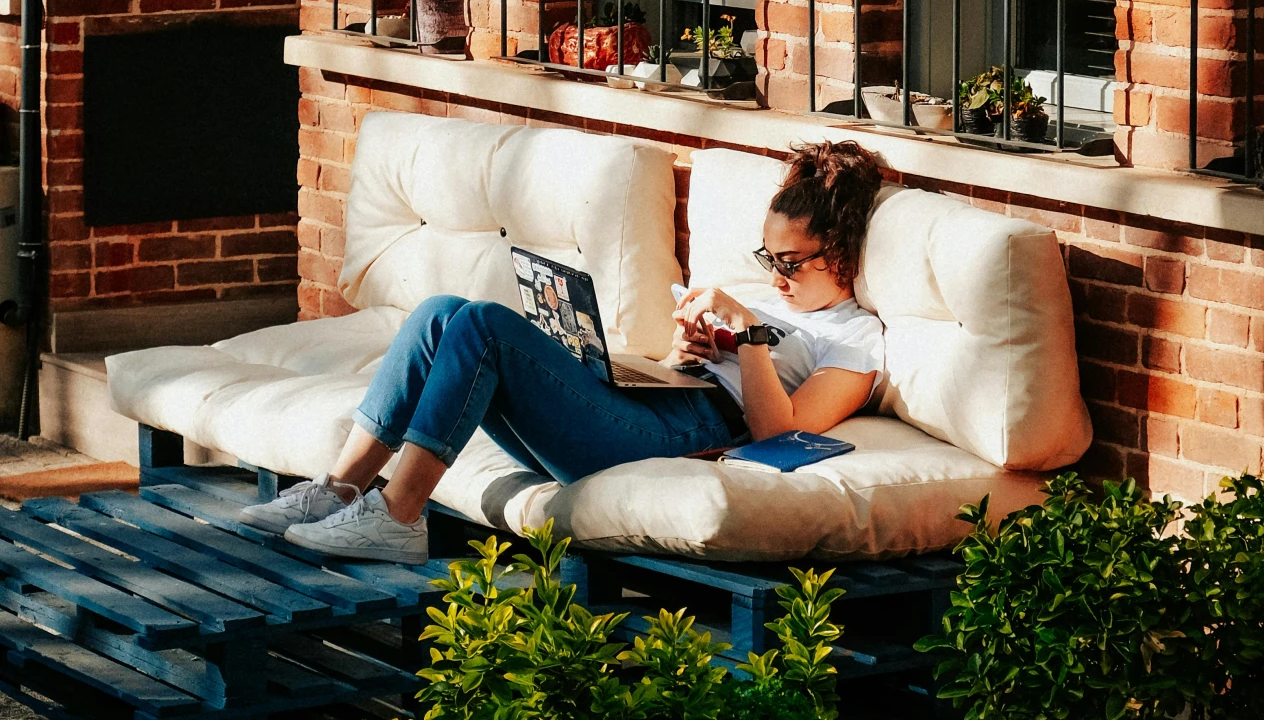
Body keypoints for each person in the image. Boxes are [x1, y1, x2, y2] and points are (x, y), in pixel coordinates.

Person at [236, 139, 887, 563]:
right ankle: (339, 488)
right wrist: (697, 346)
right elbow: (720, 362)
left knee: (484, 326)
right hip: (652, 397)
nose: (775, 275)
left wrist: (744, 337)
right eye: (766, 258)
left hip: (680, 432)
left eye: (791, 262)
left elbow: (780, 430)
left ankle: (400, 514)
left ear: (843, 249)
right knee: (440, 313)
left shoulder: (856, 338)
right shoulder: (779, 302)